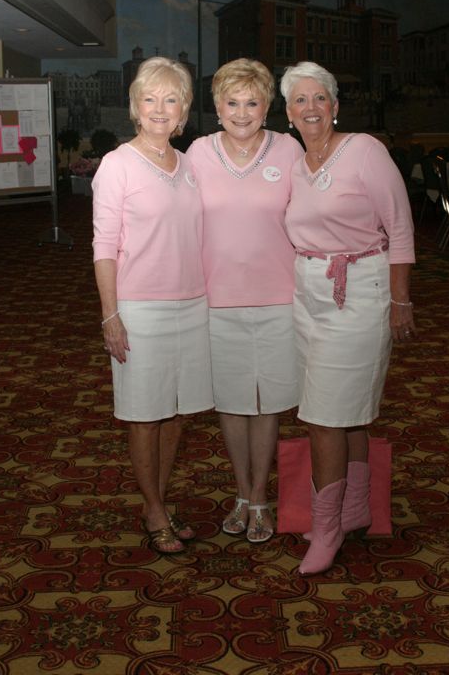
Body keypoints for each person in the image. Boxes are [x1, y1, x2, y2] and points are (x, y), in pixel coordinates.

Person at [280, 62, 416, 575]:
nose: (310, 107)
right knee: (349, 410)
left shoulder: (365, 151)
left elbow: (399, 229)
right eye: (299, 100)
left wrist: (400, 300)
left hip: (360, 289)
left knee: (323, 416)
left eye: (320, 98)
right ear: (289, 113)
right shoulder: (297, 164)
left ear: (335, 107)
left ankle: (328, 527)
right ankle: (355, 510)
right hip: (308, 292)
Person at [92, 56, 213, 555]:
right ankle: (155, 509)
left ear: (184, 111)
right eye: (150, 99)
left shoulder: (188, 166)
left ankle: (156, 501)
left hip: (193, 305)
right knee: (145, 414)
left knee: (177, 413)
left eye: (172, 99)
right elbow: (104, 245)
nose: (160, 109)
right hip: (140, 309)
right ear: (135, 109)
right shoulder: (117, 164)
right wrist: (110, 314)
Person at [187, 58, 303, 543]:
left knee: (267, 404)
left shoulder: (289, 150)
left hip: (279, 299)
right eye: (231, 102)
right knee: (232, 404)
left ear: (267, 106)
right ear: (216, 107)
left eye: (251, 102)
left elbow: (314, 213)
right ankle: (242, 493)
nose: (241, 112)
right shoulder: (196, 153)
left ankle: (259, 496)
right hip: (217, 301)